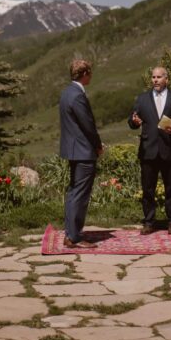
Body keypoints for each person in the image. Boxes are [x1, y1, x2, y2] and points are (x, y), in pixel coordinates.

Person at [128, 66, 171, 235]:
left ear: (166, 79)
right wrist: (135, 122)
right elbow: (132, 121)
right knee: (147, 189)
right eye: (153, 77)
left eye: (159, 77)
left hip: (169, 148)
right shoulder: (142, 98)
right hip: (148, 149)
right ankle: (148, 222)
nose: (155, 80)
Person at [59, 59, 104, 249]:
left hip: (72, 150)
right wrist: (97, 145)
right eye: (90, 72)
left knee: (73, 192)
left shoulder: (66, 92)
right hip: (84, 151)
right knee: (80, 194)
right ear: (85, 73)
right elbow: (87, 124)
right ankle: (74, 236)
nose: (91, 76)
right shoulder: (78, 96)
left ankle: (71, 232)